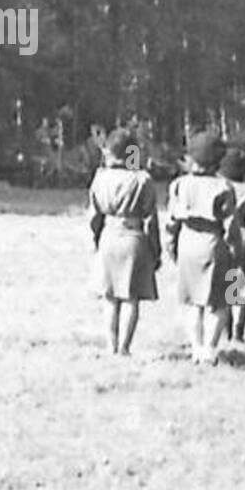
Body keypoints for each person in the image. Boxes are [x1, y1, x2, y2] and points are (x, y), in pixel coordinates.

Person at [89, 129, 161, 356]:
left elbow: (93, 217)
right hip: (133, 237)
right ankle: (124, 348)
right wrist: (156, 251)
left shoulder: (100, 177)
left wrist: (94, 242)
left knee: (110, 297)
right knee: (130, 297)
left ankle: (111, 346)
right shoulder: (142, 179)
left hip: (109, 236)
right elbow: (151, 220)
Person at [165, 132, 235, 365]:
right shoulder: (223, 186)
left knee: (192, 302)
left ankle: (196, 347)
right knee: (218, 302)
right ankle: (210, 348)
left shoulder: (179, 185)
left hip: (187, 242)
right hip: (213, 243)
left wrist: (171, 247)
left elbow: (171, 221)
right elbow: (230, 224)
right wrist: (234, 251)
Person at [219, 147, 245, 344]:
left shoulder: (221, 185)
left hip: (224, 235)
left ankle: (226, 330)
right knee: (241, 289)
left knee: (226, 285)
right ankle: (238, 333)